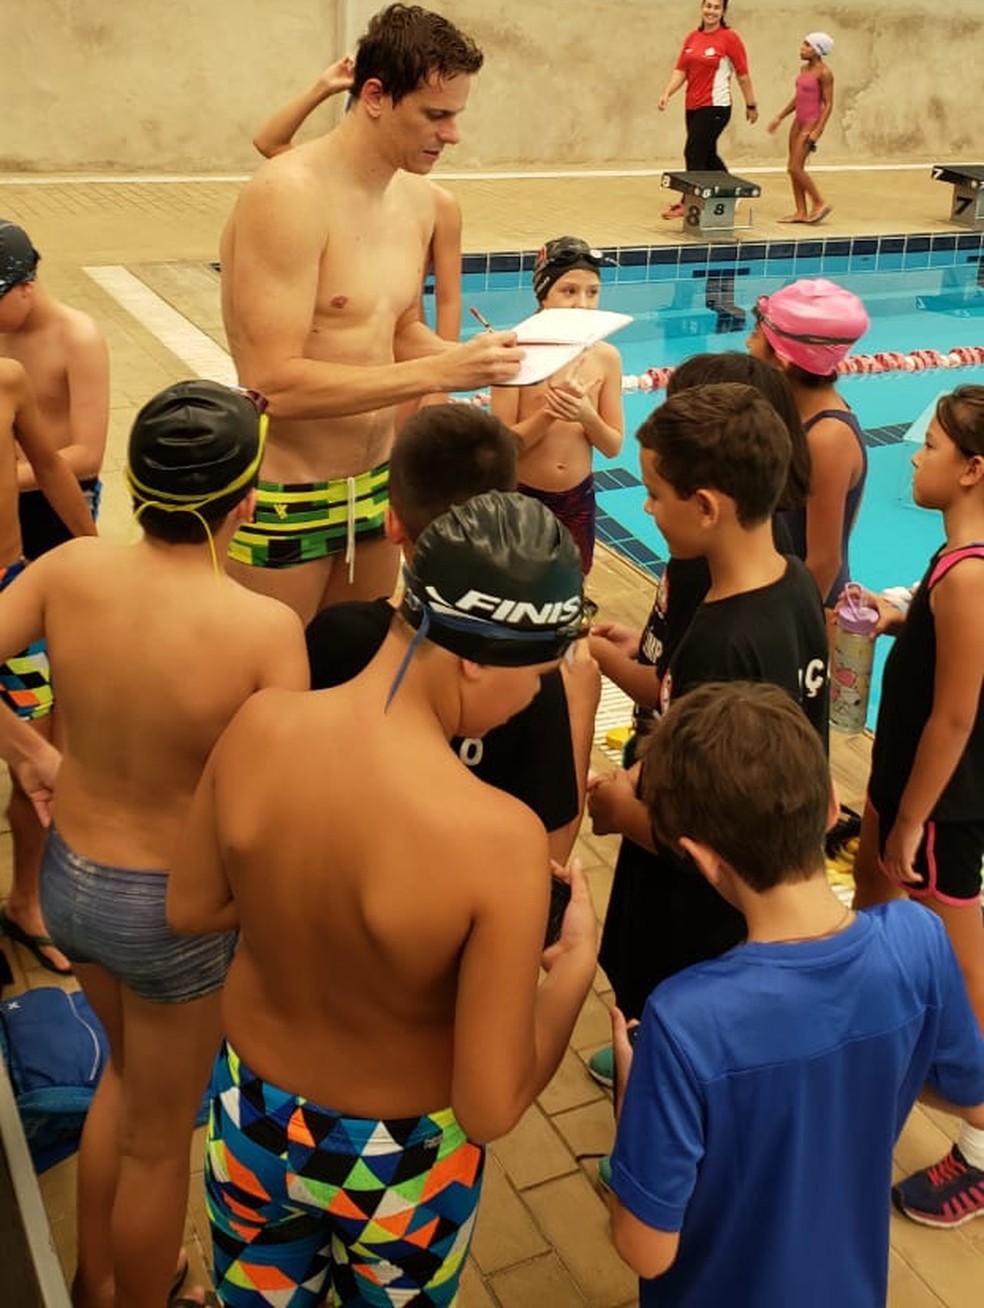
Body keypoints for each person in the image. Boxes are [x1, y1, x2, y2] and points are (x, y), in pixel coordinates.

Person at [168, 491, 599, 1307]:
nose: (537, 696)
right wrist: (576, 966)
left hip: (253, 1113)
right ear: (477, 659)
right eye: (541, 676)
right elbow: (491, 1103)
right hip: (399, 1160)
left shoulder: (259, 726)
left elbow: (189, 907)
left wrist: (296, 910)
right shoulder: (497, 839)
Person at [0, 381, 309, 1308]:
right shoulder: (264, 630)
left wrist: (28, 749)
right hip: (174, 912)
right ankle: (140, 1291)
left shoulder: (68, 573)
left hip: (72, 887)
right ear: (244, 506)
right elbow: (273, 811)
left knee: (124, 1084)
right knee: (158, 1132)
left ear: (135, 488)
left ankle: (98, 1280)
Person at [606, 681, 984, 1306]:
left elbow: (647, 1247)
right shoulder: (917, 942)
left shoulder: (686, 1022)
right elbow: (971, 1094)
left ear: (702, 859)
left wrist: (633, 1112)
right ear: (834, 804)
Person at [221, 4, 523, 622]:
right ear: (376, 95)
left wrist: (486, 360)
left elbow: (400, 329)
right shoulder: (288, 195)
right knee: (280, 689)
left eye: (456, 116)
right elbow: (270, 384)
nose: (452, 135)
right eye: (436, 116)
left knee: (354, 665)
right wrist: (441, 374)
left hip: (377, 489)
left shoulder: (417, 201)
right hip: (286, 495)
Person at [587, 384, 828, 1104]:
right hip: (753, 883)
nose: (648, 508)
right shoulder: (786, 588)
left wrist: (612, 807)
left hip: (696, 902)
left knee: (672, 1024)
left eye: (657, 494)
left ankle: (656, 1116)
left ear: (708, 507)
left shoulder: (726, 639)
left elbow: (699, 833)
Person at [305, 403, 600, 864]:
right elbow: (550, 857)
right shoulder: (528, 673)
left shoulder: (334, 634)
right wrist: (581, 709)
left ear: (393, 521)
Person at [849, 385, 984, 1228]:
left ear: (973, 469)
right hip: (905, 791)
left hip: (937, 809)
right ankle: (863, 1085)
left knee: (965, 981)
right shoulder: (953, 562)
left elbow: (958, 714)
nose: (913, 453)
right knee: (874, 932)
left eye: (928, 444)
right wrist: (895, 618)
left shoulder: (970, 576)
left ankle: (980, 1146)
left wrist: (907, 822)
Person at [252, 55, 463, 344]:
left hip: (407, 355)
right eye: (435, 115)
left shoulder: (435, 204)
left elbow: (447, 298)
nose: (452, 135)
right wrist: (323, 87)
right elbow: (269, 143)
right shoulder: (312, 189)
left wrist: (448, 372)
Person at [0, 355, 97, 977]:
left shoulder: (8, 378)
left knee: (37, 763)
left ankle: (26, 902)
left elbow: (54, 466)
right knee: (36, 759)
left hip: (12, 591)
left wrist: (93, 550)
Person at [490, 237, 624, 574]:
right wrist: (550, 412)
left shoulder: (606, 358)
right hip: (523, 498)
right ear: (543, 294)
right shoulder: (515, 354)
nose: (582, 304)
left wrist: (586, 416)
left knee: (571, 587)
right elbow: (502, 450)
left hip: (578, 500)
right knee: (517, 587)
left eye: (592, 292)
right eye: (569, 291)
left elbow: (612, 446)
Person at [748, 277, 870, 606]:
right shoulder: (792, 410)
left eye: (756, 335)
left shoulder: (828, 438)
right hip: (777, 586)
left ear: (783, 360)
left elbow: (825, 560)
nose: (748, 343)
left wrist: (791, 630)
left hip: (810, 603)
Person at [0, 220, 109, 557]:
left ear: (26, 288)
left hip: (58, 499)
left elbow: (88, 455)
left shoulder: (78, 338)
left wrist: (7, 478)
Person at [657, 1, 758, 221]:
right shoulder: (692, 37)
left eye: (716, 7)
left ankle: (691, 203)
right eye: (708, 6)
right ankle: (731, 191)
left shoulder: (729, 38)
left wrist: (751, 105)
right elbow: (681, 70)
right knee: (706, 153)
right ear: (702, 7)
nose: (711, 11)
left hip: (716, 106)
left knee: (693, 151)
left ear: (723, 12)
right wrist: (667, 93)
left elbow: (743, 75)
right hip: (692, 106)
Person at [767, 33, 835, 224]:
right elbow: (798, 98)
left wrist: (818, 130)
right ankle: (801, 212)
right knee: (794, 169)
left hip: (810, 124)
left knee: (794, 168)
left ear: (816, 49)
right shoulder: (804, 69)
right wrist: (780, 117)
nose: (801, 48)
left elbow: (828, 104)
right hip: (798, 122)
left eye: (806, 45)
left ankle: (819, 203)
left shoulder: (825, 73)